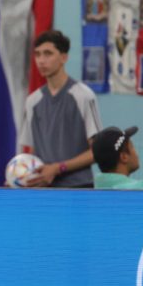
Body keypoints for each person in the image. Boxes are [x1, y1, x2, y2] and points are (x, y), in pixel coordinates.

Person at [19, 30, 102, 188]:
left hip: (79, 188)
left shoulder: (84, 96)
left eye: (48, 54)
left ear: (64, 57)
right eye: (37, 54)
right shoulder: (32, 101)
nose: (41, 61)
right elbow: (31, 152)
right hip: (44, 191)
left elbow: (97, 152)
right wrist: (20, 178)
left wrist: (58, 168)